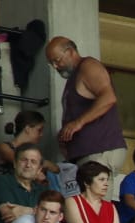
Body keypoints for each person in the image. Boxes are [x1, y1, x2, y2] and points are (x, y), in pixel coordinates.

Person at [45, 37, 126, 170]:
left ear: (70, 52)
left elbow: (108, 97)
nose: (55, 66)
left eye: (57, 60)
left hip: (99, 150)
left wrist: (78, 123)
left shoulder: (89, 66)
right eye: (51, 63)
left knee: (95, 190)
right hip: (87, 154)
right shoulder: (75, 76)